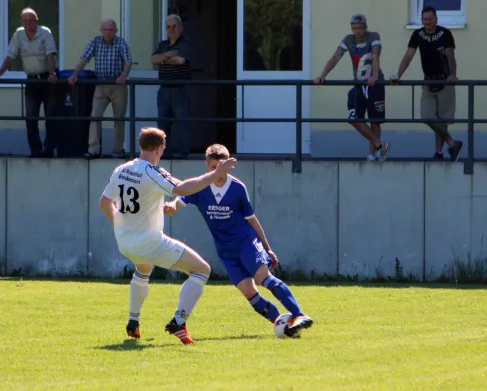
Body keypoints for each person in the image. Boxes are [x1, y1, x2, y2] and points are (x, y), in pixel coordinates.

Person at [99, 127, 236, 344]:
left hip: (124, 241)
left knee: (143, 269)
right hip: (149, 243)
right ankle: (178, 322)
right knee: (202, 270)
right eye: (163, 147)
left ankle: (133, 321)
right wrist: (216, 174)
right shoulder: (153, 172)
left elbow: (104, 203)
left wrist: (122, 223)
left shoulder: (121, 169)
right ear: (158, 148)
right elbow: (181, 188)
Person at [163, 144, 313, 338]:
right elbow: (178, 203)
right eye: (215, 166)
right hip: (226, 251)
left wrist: (267, 248)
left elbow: (251, 219)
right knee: (250, 293)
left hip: (246, 243)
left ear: (229, 165)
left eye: (223, 166)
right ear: (208, 165)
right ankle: (284, 326)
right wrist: (169, 206)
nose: (219, 171)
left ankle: (299, 315)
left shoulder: (237, 187)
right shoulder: (199, 187)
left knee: (263, 278)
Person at [314, 14, 390, 162]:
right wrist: (322, 75)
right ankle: (380, 144)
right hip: (358, 84)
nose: (357, 31)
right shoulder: (349, 39)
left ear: (365, 27)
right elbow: (336, 57)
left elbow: (375, 55)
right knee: (354, 118)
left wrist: (374, 76)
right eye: (354, 28)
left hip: (375, 84)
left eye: (360, 28)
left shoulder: (373, 36)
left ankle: (372, 153)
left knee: (375, 121)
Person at [391, 6, 463, 162]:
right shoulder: (417, 34)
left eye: (430, 19)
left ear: (436, 19)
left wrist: (453, 75)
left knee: (443, 121)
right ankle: (452, 143)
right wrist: (398, 74)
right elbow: (409, 55)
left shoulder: (445, 33)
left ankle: (438, 152)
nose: (428, 22)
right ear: (421, 20)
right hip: (428, 80)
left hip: (445, 80)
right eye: (425, 19)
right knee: (427, 116)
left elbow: (450, 55)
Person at [0, 8, 59, 158]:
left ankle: (49, 150)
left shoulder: (45, 32)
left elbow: (51, 55)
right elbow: (10, 56)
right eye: (25, 21)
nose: (28, 23)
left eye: (31, 20)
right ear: (21, 22)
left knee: (51, 118)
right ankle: (35, 151)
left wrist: (52, 74)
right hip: (32, 80)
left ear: (37, 20)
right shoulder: (19, 34)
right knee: (30, 117)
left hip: (48, 79)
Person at [69, 18, 132, 159]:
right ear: (101, 30)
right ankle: (93, 149)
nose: (108, 33)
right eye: (106, 30)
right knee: (95, 116)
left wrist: (123, 75)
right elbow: (85, 59)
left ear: (115, 31)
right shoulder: (96, 42)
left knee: (119, 119)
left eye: (111, 30)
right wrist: (75, 74)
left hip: (117, 86)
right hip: (101, 85)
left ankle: (117, 151)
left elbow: (128, 61)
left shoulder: (121, 43)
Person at [150, 14, 193, 159]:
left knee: (181, 122)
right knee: (162, 122)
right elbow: (153, 59)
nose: (172, 30)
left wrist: (163, 59)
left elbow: (181, 60)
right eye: (169, 27)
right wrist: (169, 54)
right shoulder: (163, 44)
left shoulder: (186, 42)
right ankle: (164, 152)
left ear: (180, 27)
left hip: (180, 88)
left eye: (174, 26)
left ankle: (182, 152)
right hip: (164, 89)